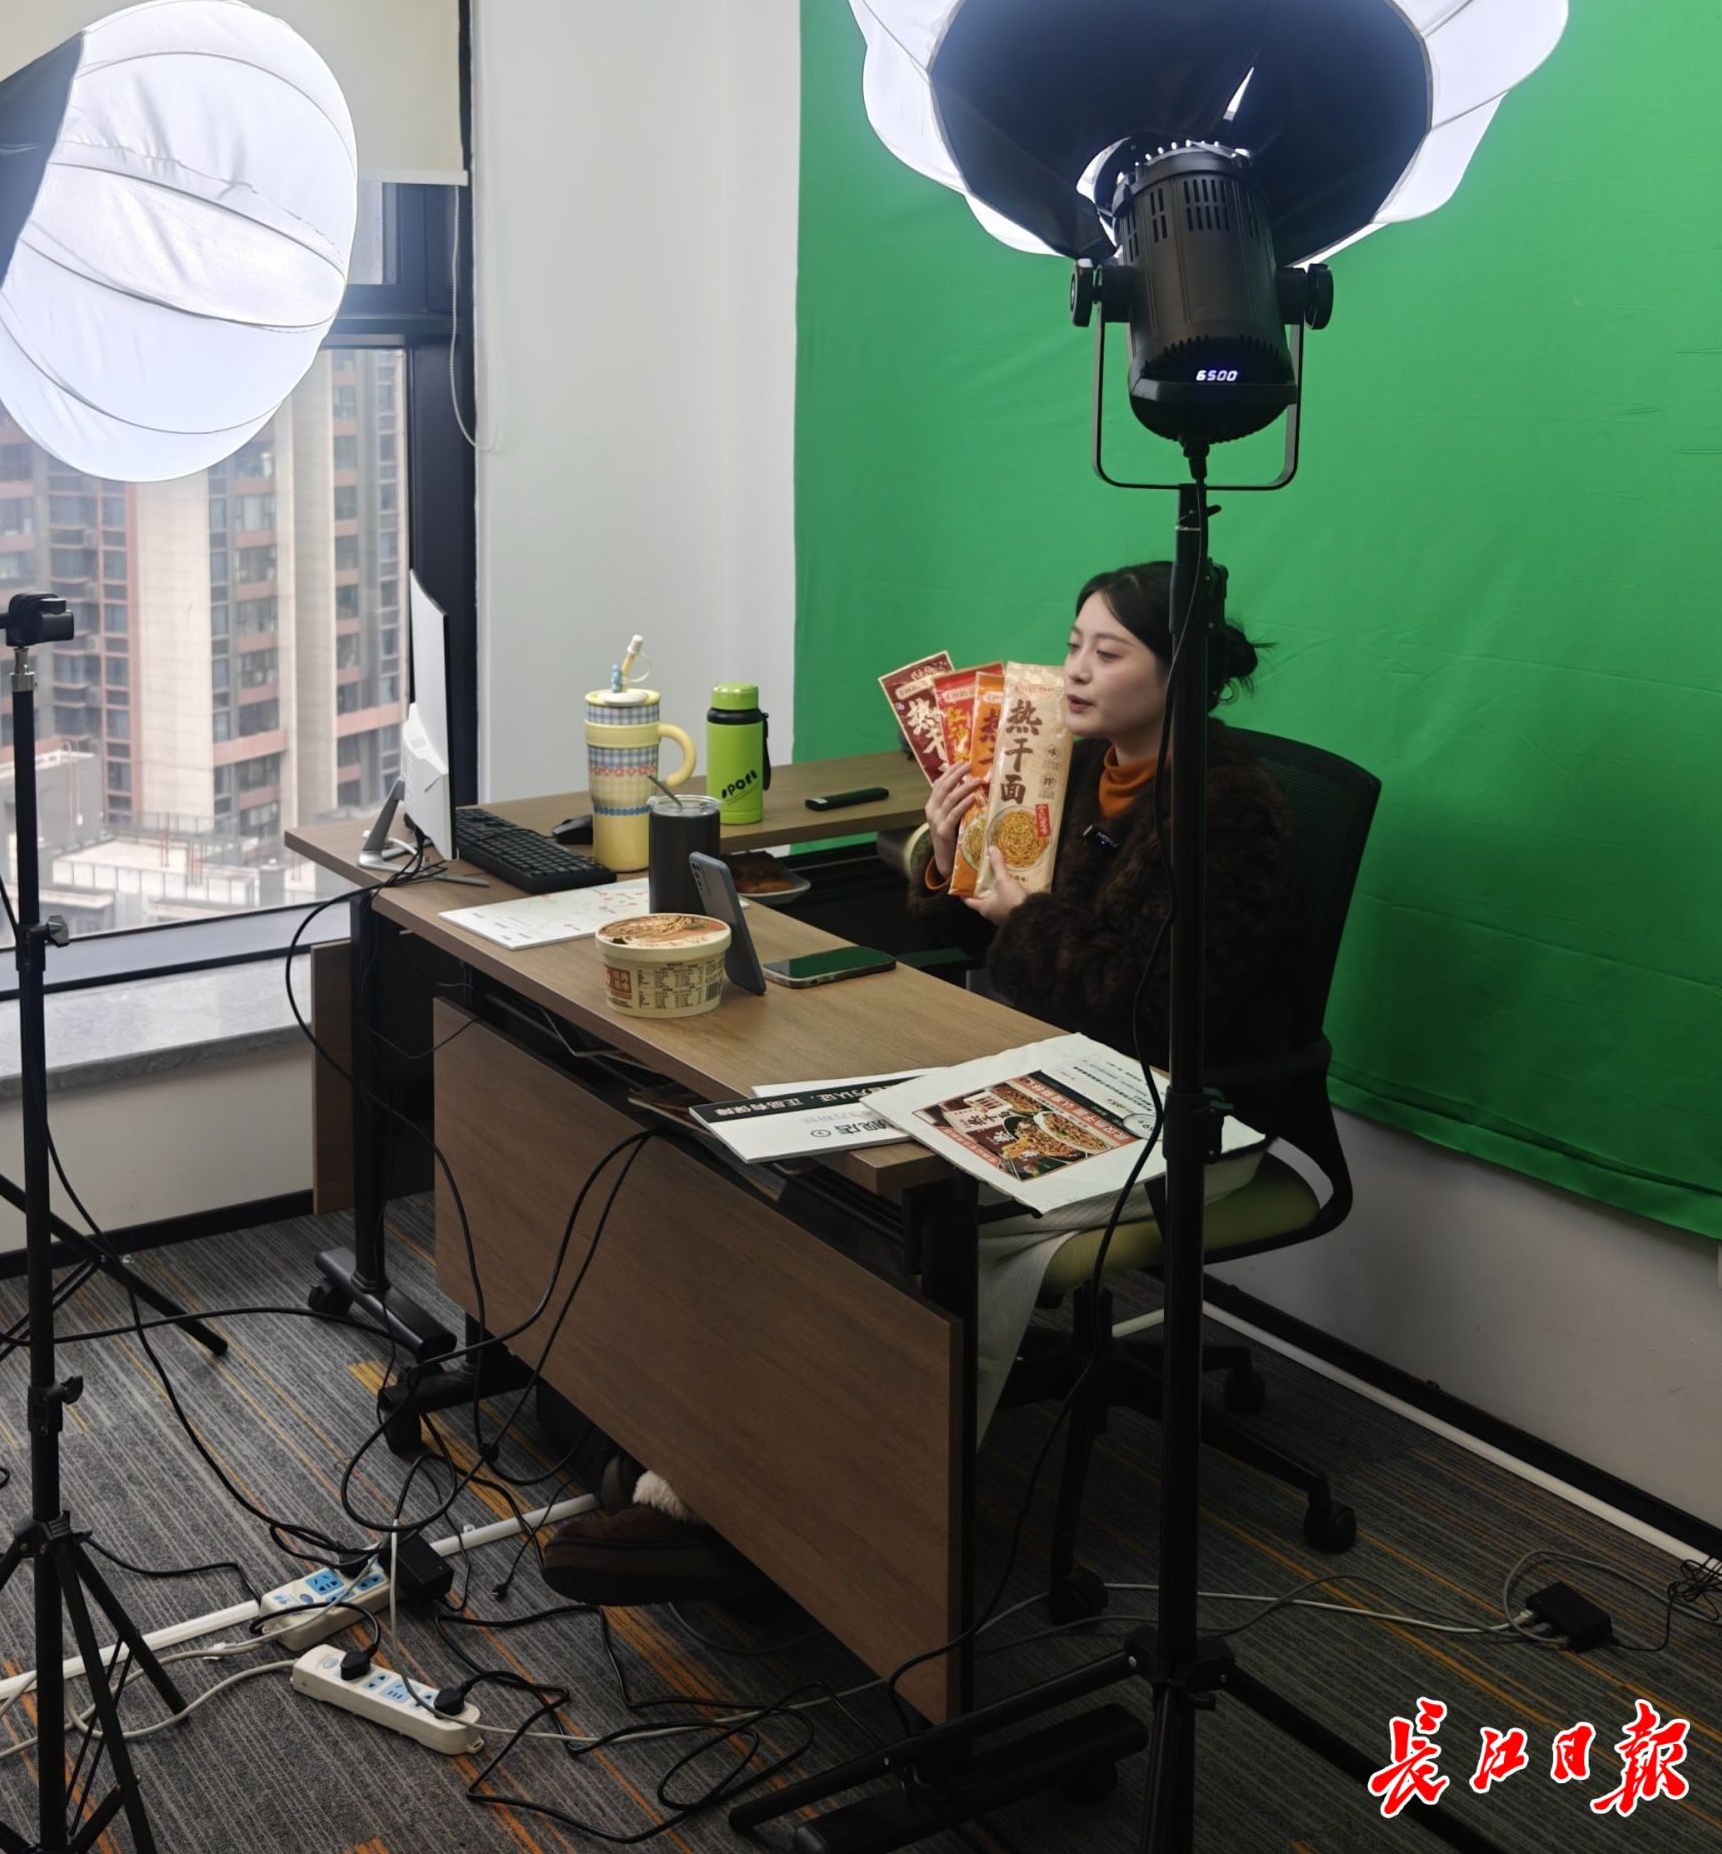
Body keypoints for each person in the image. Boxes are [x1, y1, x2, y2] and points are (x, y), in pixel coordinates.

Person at [539, 562, 1305, 1606]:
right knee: (830, 1180)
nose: (1076, 670)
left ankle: (825, 1525)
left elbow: (1150, 1005)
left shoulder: (1227, 812)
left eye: (1108, 651)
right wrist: (950, 858)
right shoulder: (1073, 767)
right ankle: (723, 1476)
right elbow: (993, 938)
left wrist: (1020, 919)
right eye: (1073, 644)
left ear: (1178, 671)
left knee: (935, 1231)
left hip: (1182, 1111)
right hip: (1059, 1069)